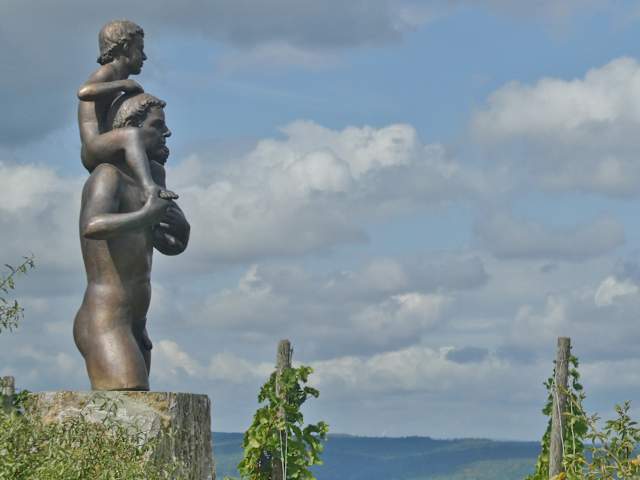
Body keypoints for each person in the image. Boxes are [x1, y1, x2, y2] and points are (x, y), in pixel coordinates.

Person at [74, 92, 189, 390]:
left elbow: (169, 244)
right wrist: (146, 215)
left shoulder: (152, 178)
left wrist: (180, 228)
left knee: (139, 406)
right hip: (107, 321)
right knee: (129, 400)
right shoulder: (107, 176)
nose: (167, 133)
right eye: (157, 126)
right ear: (131, 130)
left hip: (136, 322)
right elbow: (92, 225)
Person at [77, 19, 176, 202]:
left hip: (109, 143)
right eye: (140, 49)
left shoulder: (116, 76)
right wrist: (123, 84)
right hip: (94, 147)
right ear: (125, 47)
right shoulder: (107, 72)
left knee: (153, 164)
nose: (144, 57)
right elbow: (84, 91)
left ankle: (157, 198)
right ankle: (148, 188)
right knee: (131, 135)